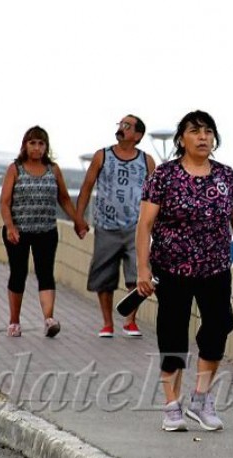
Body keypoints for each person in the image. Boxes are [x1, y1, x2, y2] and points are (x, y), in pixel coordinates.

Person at [135, 110, 233, 432]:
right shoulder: (164, 176)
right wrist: (143, 269)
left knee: (219, 326)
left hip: (214, 269)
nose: (203, 137)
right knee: (172, 335)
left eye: (208, 131)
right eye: (195, 131)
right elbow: (144, 226)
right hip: (171, 269)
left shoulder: (226, 176)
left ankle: (200, 399)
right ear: (181, 139)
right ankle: (172, 406)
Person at [74, 114, 156, 338]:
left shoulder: (146, 160)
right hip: (106, 226)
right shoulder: (103, 155)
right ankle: (107, 323)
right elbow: (87, 185)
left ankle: (130, 321)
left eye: (127, 126)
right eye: (121, 124)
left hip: (136, 228)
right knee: (104, 276)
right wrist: (79, 217)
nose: (122, 128)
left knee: (136, 276)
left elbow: (157, 195)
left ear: (137, 135)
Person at [0, 126, 78, 338]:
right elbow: (5, 203)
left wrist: (78, 221)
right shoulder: (15, 168)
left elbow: (64, 199)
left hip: (46, 231)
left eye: (41, 143)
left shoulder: (53, 169)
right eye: (32, 143)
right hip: (18, 232)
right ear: (25, 145)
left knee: (46, 274)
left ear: (46, 147)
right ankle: (14, 322)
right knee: (19, 274)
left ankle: (48, 320)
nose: (37, 148)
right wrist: (10, 227)